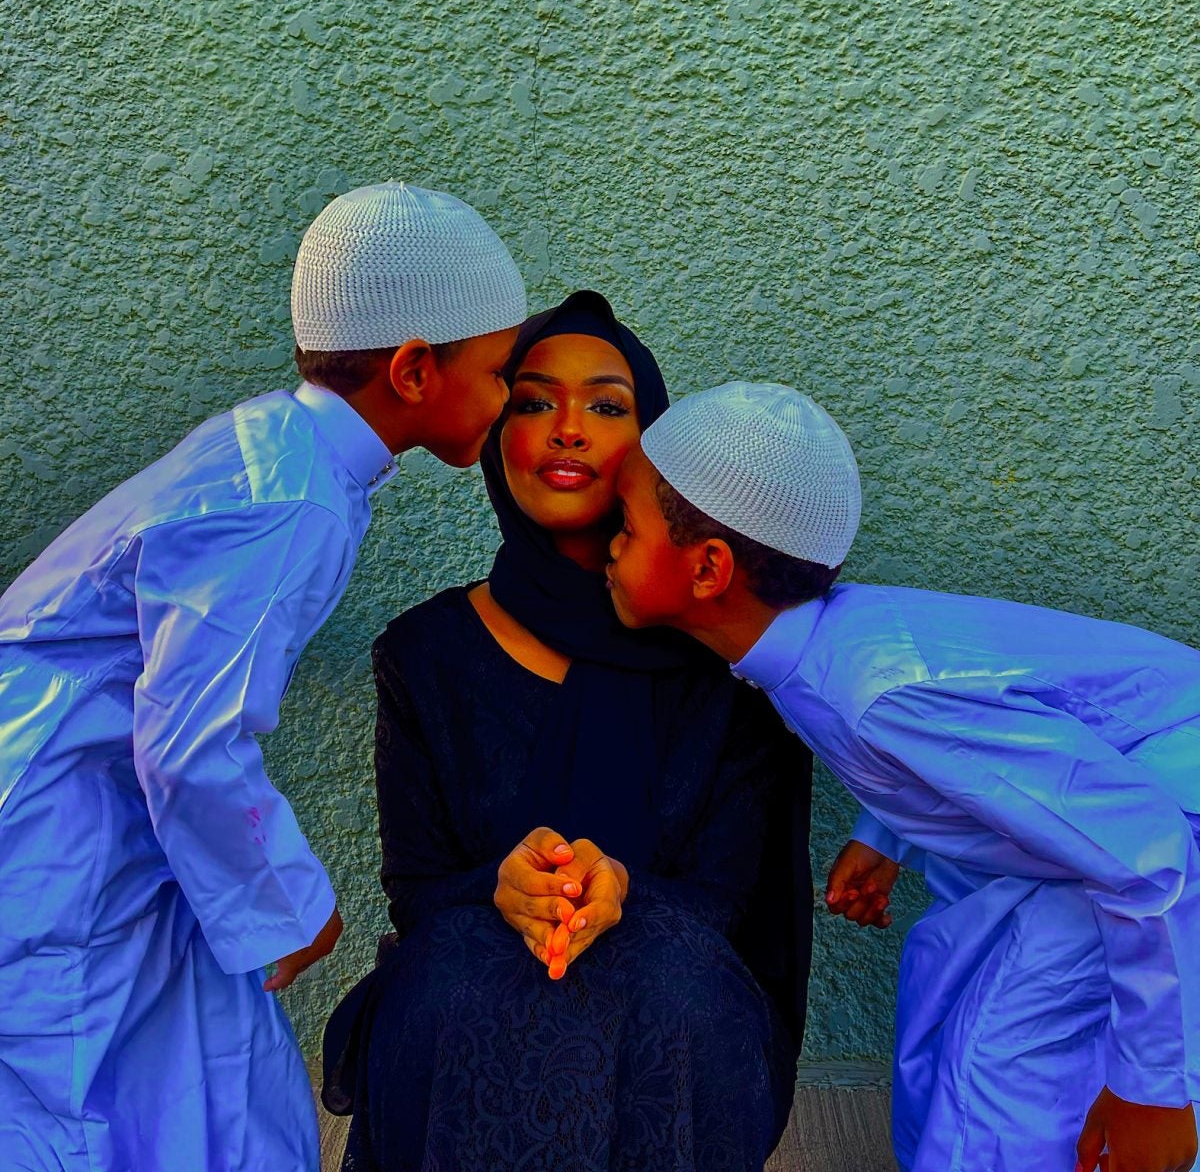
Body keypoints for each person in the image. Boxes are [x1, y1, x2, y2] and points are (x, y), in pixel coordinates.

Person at [0, 182, 525, 1172]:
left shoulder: (282, 451)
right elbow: (190, 745)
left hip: (111, 813)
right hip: (52, 822)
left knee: (213, 1084)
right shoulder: (293, 500)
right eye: (499, 373)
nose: (507, 402)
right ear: (415, 370)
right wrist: (294, 904)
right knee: (77, 1104)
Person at [605, 380, 1200, 1172]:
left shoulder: (873, 690)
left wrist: (1155, 1090)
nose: (609, 546)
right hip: (1123, 834)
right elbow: (979, 738)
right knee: (942, 1023)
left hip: (1163, 836)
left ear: (709, 568)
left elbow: (1148, 853)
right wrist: (885, 830)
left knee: (996, 1082)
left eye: (626, 526)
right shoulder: (834, 650)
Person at [322, 292, 811, 1172]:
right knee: (458, 969)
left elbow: (734, 900)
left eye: (608, 407)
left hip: (678, 1013)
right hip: (467, 997)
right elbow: (418, 892)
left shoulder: (727, 659)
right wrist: (502, 888)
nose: (569, 430)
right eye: (534, 401)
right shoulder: (423, 654)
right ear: (498, 435)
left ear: (651, 448)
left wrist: (622, 886)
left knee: (670, 978)